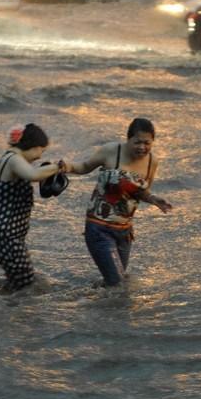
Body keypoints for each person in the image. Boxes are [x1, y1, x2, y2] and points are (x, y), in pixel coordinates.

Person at [67, 118, 173, 286]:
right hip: (99, 229)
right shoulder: (111, 151)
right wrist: (67, 167)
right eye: (137, 142)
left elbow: (141, 192)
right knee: (118, 283)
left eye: (147, 143)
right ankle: (82, 303)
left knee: (114, 283)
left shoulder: (152, 161)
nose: (142, 147)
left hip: (124, 233)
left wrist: (153, 199)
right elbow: (84, 167)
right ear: (128, 139)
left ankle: (88, 302)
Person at [0, 123, 65, 291]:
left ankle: (3, 306)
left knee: (16, 284)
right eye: (41, 151)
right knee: (27, 286)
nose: (39, 157)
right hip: (9, 239)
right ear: (34, 146)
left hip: (1, 239)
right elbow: (33, 175)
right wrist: (59, 166)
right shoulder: (14, 160)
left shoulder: (3, 161)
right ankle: (11, 314)